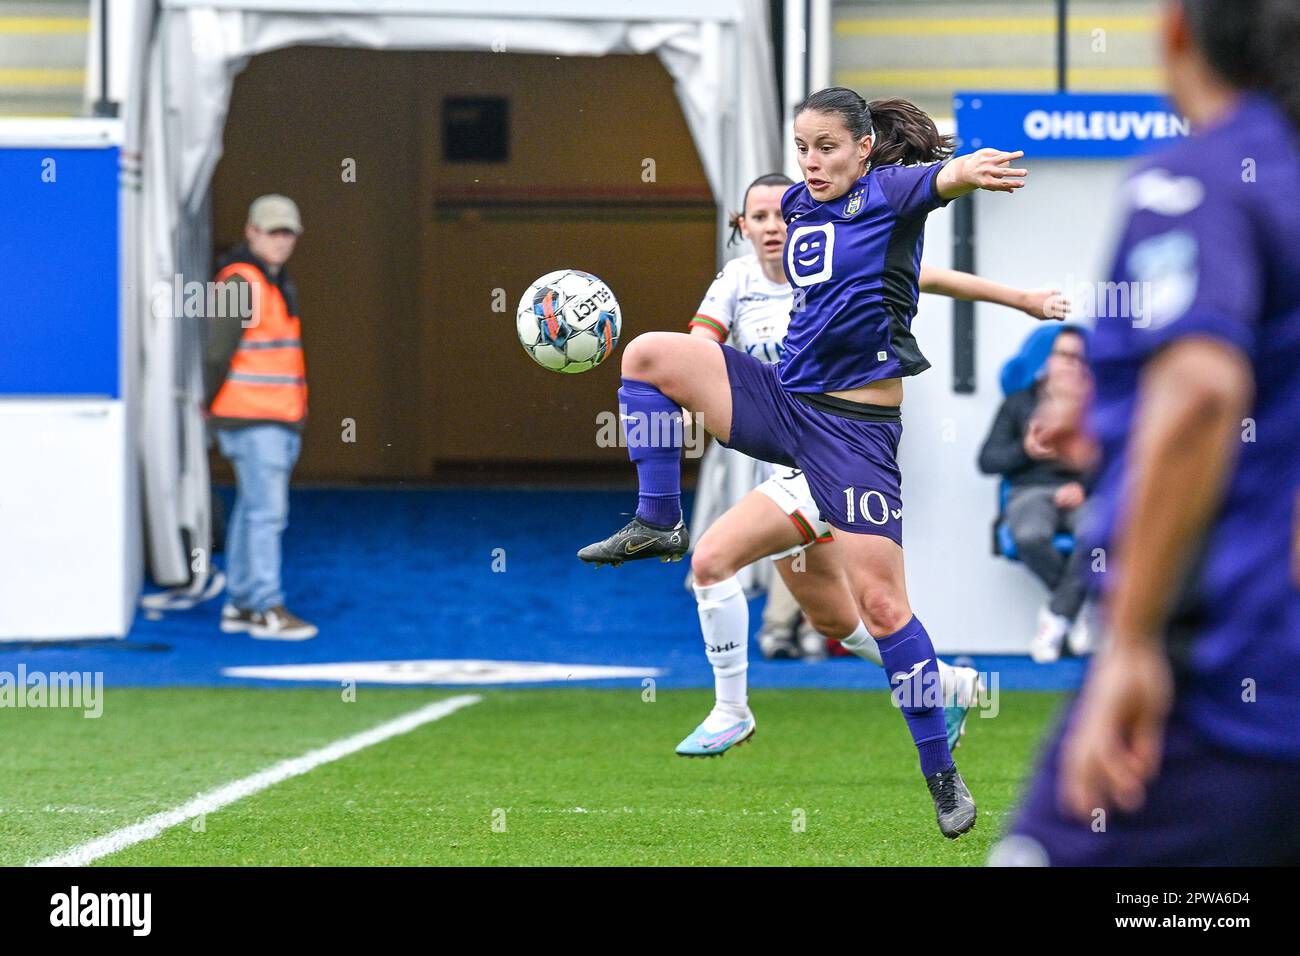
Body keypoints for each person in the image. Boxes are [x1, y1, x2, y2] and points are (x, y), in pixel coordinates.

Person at [579, 91, 1032, 838]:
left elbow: (936, 187)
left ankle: (940, 772)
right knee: (647, 355)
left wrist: (966, 172)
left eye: (827, 147)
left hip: (853, 433)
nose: (812, 162)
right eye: (802, 147)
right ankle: (658, 520)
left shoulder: (889, 193)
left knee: (878, 609)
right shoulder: (796, 204)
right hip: (781, 400)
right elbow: (766, 230)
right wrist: (755, 225)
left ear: (862, 148)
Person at [991, 0, 1300, 865]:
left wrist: (1128, 645)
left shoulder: (1192, 180)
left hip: (1223, 685)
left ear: (1174, 31)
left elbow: (1202, 392)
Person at [678, 166, 1068, 757]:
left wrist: (1023, 299)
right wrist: (687, 396)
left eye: (782, 214)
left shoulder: (839, 259)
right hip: (777, 463)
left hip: (834, 453)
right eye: (758, 217)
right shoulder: (735, 282)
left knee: (710, 559)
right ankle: (947, 682)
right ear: (741, 226)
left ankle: (730, 708)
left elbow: (933, 278)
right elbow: (698, 350)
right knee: (837, 621)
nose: (773, 227)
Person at [204, 194, 317, 641]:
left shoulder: (269, 282)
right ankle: (266, 605)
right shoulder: (243, 282)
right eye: (272, 231)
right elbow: (216, 353)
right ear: (251, 232)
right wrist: (208, 402)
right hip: (253, 418)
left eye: (287, 232)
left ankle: (241, 604)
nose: (280, 240)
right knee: (267, 515)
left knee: (253, 512)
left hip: (269, 418)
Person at [978, 326, 1092, 662]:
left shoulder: (1099, 405)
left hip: (1083, 494)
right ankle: (1071, 609)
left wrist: (1084, 487)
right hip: (1029, 490)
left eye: (1081, 358)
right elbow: (987, 461)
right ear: (1047, 359)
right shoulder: (1019, 403)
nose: (1074, 365)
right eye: (1065, 356)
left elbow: (1122, 462)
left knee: (1098, 537)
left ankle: (1056, 618)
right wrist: (1025, 450)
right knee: (1028, 535)